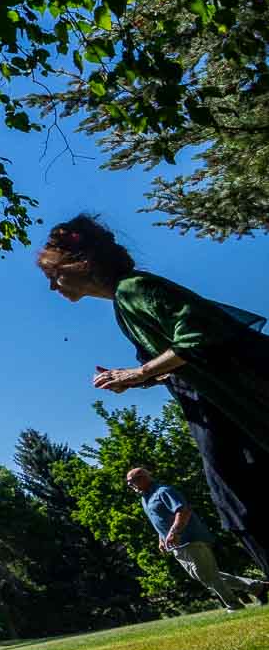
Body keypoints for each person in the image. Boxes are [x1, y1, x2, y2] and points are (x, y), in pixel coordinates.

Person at [38, 214, 269, 577]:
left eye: (54, 275)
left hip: (232, 407)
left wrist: (140, 372)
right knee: (240, 501)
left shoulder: (134, 289)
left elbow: (197, 330)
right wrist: (134, 380)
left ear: (80, 264)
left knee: (245, 502)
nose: (53, 287)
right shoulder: (123, 303)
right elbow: (174, 364)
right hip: (212, 411)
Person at [126, 467, 268, 611]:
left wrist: (175, 532)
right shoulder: (145, 498)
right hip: (176, 544)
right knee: (206, 575)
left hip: (190, 538)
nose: (130, 486)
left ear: (143, 478)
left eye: (132, 482)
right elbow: (160, 520)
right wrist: (161, 539)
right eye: (128, 484)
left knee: (207, 576)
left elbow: (183, 511)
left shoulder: (163, 491)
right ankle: (257, 587)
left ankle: (234, 605)